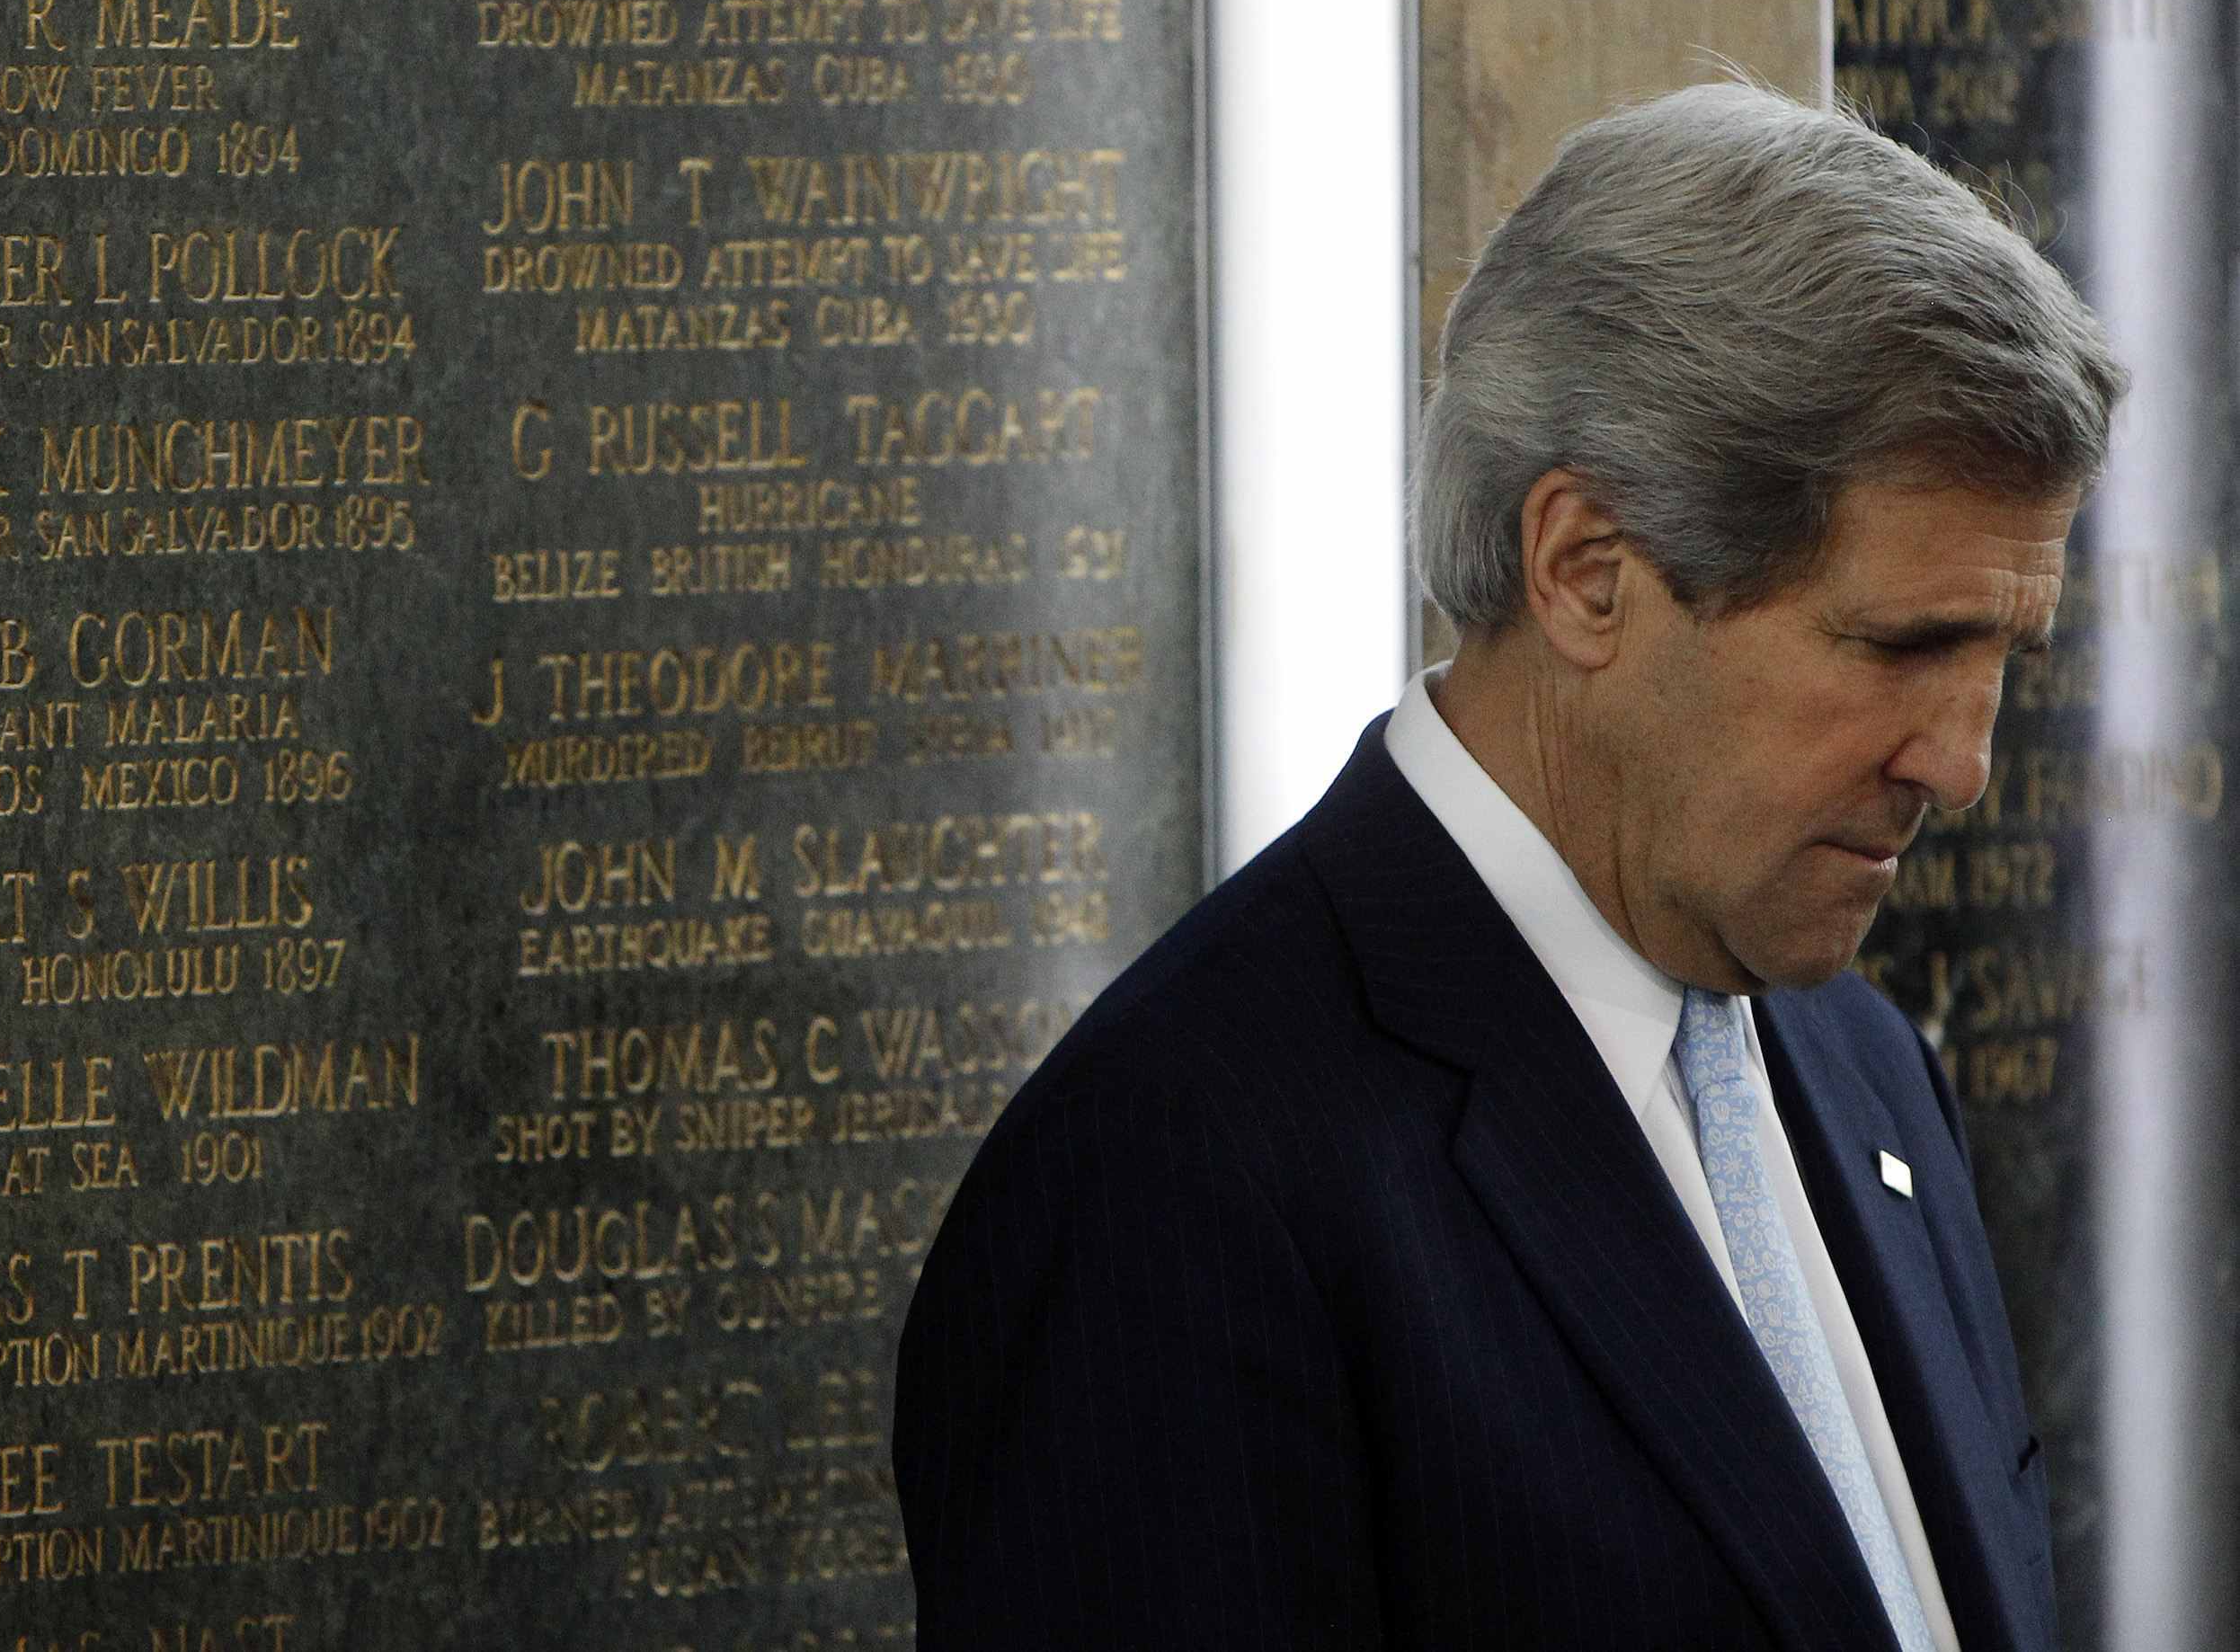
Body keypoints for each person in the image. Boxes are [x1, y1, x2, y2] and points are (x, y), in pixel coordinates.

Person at [894, 84, 2120, 1652]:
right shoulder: (1170, 1181)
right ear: (1585, 572)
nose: (1963, 762)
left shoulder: (1866, 1066)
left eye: (2004, 657)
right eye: (1902, 646)